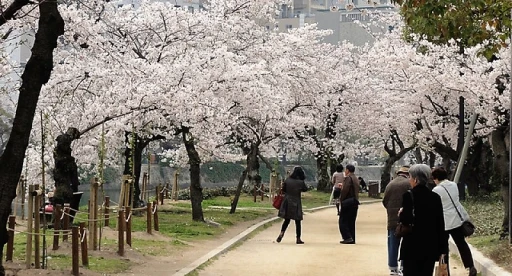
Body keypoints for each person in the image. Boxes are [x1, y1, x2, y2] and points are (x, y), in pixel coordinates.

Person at [399, 164, 448, 276]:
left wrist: (401, 213)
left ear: (415, 179)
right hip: (429, 247)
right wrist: (443, 249)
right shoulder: (435, 197)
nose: (409, 180)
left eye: (410, 177)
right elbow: (440, 224)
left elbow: (406, 220)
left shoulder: (408, 196)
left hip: (412, 245)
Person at [432, 167, 477, 276]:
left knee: (443, 248)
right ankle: (471, 267)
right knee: (461, 244)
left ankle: (445, 271)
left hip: (444, 223)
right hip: (456, 221)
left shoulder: (436, 190)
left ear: (436, 178)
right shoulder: (453, 185)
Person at [382, 166, 410, 276]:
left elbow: (385, 201)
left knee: (392, 243)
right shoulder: (409, 184)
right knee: (406, 244)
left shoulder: (390, 184)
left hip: (392, 219)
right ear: (408, 174)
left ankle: (393, 268)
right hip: (406, 219)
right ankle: (404, 266)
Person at [276, 166, 308, 244]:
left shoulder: (288, 180)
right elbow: (305, 189)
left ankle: (281, 233)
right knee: (298, 221)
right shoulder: (300, 182)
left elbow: (283, 189)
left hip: (287, 201)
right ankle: (298, 238)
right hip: (296, 201)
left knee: (287, 220)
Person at [338, 164, 360, 244]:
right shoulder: (356, 178)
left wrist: (341, 200)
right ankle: (352, 237)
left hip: (348, 202)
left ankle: (347, 237)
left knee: (343, 221)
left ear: (347, 170)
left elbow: (345, 191)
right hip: (355, 201)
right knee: (351, 221)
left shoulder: (348, 178)